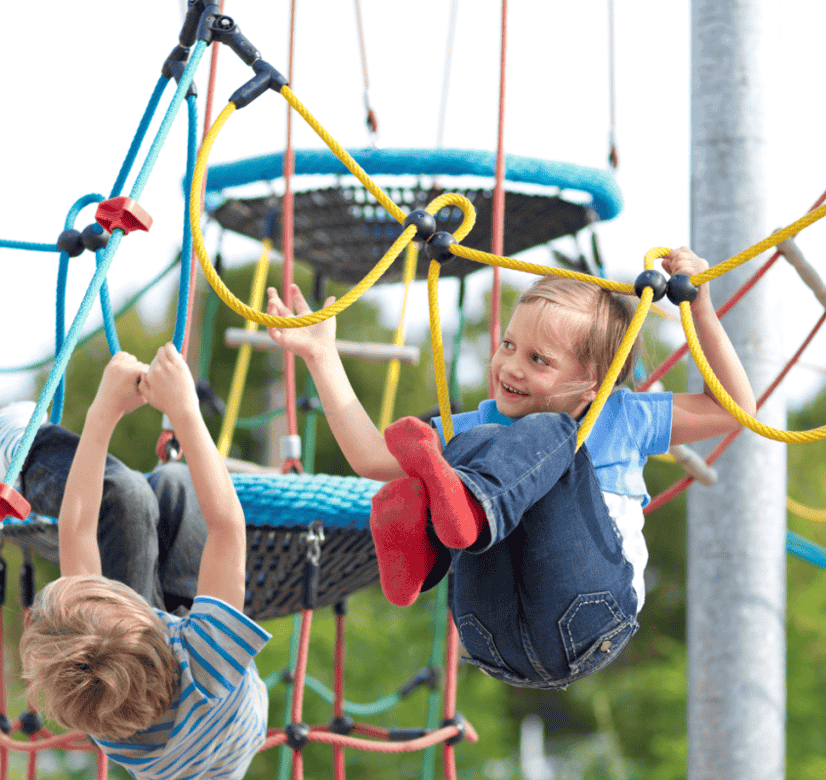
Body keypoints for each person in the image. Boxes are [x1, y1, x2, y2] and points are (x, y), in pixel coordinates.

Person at [264, 247, 756, 690]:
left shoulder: (622, 416)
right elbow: (372, 458)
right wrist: (321, 356)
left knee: (549, 433)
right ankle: (432, 541)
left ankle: (457, 519)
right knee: (468, 444)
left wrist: (701, 310)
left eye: (539, 359)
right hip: (490, 635)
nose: (511, 367)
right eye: (508, 345)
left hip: (590, 618)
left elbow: (734, 407)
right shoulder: (476, 428)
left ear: (593, 384)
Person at [2, 344, 271, 780]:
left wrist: (104, 411)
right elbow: (226, 527)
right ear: (154, 626)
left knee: (160, 488)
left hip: (160, 733)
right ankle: (30, 454)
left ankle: (30, 455)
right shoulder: (209, 664)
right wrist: (184, 409)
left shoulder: (91, 700)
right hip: (228, 730)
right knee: (157, 489)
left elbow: (77, 530)